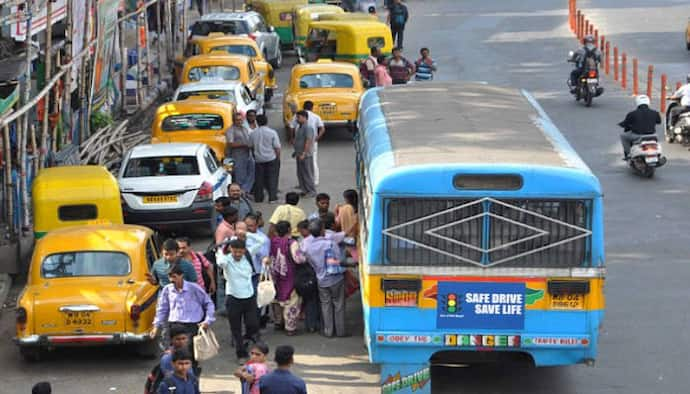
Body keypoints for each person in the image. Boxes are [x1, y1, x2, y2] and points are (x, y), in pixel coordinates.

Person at [151, 265, 215, 350]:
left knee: (191, 352)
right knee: (176, 352)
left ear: (181, 275)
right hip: (175, 324)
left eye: (174, 277)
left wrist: (208, 320)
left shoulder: (193, 288)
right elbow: (162, 309)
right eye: (170, 277)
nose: (172, 280)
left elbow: (208, 303)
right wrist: (156, 326)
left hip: (192, 325)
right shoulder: (167, 289)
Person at [217, 238, 260, 363]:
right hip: (233, 298)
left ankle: (247, 339)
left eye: (240, 252)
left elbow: (260, 242)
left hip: (249, 296)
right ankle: (241, 354)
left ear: (244, 251)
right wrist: (220, 249)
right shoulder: (226, 260)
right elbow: (220, 262)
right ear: (231, 250)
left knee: (253, 324)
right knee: (236, 329)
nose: (237, 255)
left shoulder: (248, 255)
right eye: (235, 252)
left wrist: (243, 235)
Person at [302, 219, 346, 337]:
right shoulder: (330, 244)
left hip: (321, 279)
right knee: (338, 304)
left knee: (325, 305)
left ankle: (328, 331)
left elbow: (309, 262)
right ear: (322, 230)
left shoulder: (308, 248)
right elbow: (338, 260)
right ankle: (341, 331)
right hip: (336, 278)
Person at [270, 221, 302, 336]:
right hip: (290, 275)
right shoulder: (292, 243)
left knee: (277, 299)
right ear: (289, 230)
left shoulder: (273, 241)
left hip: (276, 275)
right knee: (291, 301)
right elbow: (298, 259)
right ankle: (290, 327)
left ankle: (278, 322)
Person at [288, 101, 325, 186]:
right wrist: (317, 138)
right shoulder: (316, 116)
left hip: (300, 142)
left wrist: (292, 138)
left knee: (301, 165)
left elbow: (291, 127)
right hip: (312, 142)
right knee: (313, 161)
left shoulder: (297, 116)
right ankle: (314, 181)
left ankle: (304, 183)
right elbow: (322, 129)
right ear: (312, 108)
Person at [618, 95, 661, 159]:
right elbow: (659, 122)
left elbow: (625, 123)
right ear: (648, 102)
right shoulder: (655, 113)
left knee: (623, 136)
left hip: (638, 135)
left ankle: (629, 154)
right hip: (652, 135)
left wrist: (620, 124)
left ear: (637, 102)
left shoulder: (632, 114)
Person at [251, 114, 281, 203]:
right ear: (266, 121)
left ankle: (259, 198)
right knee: (272, 178)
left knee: (259, 179)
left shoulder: (253, 133)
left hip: (259, 159)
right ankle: (272, 197)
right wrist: (278, 158)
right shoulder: (272, 132)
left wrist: (255, 154)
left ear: (257, 122)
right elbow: (277, 147)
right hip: (271, 158)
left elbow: (250, 146)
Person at [226, 113, 255, 194]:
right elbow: (230, 143)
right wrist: (244, 144)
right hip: (237, 156)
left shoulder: (245, 128)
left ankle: (245, 190)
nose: (239, 121)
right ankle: (240, 193)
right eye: (237, 120)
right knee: (240, 176)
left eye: (240, 120)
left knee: (252, 172)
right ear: (233, 121)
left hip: (248, 155)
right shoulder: (230, 130)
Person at [293, 111, 317, 197]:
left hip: (305, 155)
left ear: (304, 117)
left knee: (307, 173)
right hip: (299, 154)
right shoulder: (300, 127)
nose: (297, 119)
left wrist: (304, 153)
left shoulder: (308, 128)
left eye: (298, 117)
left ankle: (311, 191)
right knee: (301, 173)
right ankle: (304, 190)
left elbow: (308, 141)